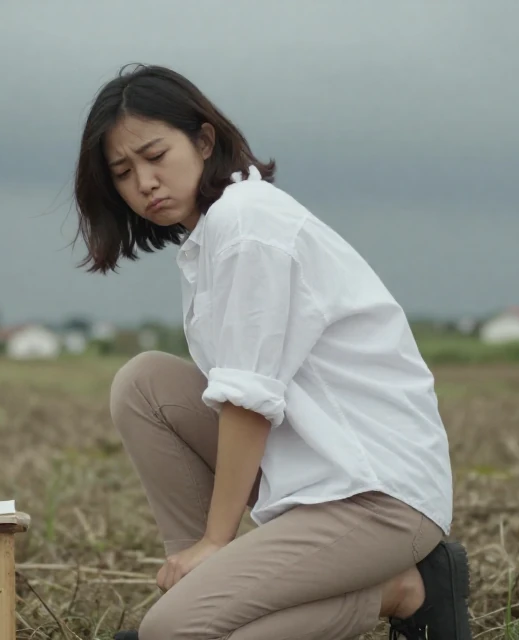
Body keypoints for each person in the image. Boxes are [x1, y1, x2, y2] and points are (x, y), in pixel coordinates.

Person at [71, 63, 471, 640]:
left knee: (171, 632)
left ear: (203, 141)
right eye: (123, 172)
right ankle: (197, 596)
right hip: (316, 476)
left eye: (155, 155)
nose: (145, 182)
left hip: (376, 496)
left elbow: (247, 401)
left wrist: (217, 541)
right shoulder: (213, 235)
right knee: (143, 385)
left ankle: (409, 589)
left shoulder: (246, 223)